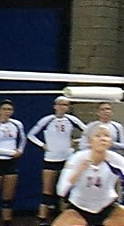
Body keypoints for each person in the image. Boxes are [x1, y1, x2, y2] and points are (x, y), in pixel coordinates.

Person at [55, 124, 124, 226]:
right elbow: (61, 191)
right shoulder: (77, 158)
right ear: (90, 141)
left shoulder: (117, 160)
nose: (102, 139)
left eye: (106, 135)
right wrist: (78, 171)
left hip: (107, 207)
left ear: (111, 142)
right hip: (79, 208)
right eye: (98, 136)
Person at [28, 96, 87, 224]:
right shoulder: (48, 120)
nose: (62, 107)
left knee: (66, 191)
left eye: (65, 105)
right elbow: (31, 135)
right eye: (60, 104)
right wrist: (42, 145)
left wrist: (77, 142)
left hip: (67, 159)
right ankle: (43, 220)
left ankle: (66, 220)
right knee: (47, 191)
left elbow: (89, 132)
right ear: (55, 106)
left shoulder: (72, 120)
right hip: (51, 159)